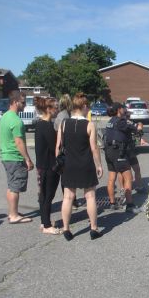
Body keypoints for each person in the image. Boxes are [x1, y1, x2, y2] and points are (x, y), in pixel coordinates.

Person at [56, 92, 103, 240]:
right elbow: (94, 148)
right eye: (87, 106)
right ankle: (94, 229)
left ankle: (66, 229)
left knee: (68, 197)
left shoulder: (63, 124)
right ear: (83, 106)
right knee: (90, 196)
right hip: (85, 164)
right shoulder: (89, 125)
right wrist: (99, 165)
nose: (88, 108)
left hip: (69, 165)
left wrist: (59, 162)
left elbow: (58, 146)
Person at [0, 91, 34, 224]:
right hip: (14, 157)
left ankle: (12, 212)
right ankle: (14, 215)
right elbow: (19, 142)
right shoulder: (15, 120)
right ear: (15, 102)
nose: (24, 105)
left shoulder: (5, 116)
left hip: (6, 156)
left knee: (11, 185)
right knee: (15, 187)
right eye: (23, 102)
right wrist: (27, 159)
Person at [104, 103, 143, 212]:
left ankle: (112, 203)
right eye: (123, 108)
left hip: (109, 152)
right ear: (118, 110)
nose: (124, 110)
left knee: (112, 178)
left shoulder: (110, 122)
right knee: (128, 177)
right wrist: (139, 125)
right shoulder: (121, 121)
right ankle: (130, 205)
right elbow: (136, 129)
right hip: (118, 152)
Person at [34, 96, 61, 235]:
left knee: (44, 195)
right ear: (49, 109)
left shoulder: (39, 124)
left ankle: (44, 221)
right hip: (49, 166)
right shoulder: (47, 127)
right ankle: (47, 225)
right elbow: (55, 147)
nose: (58, 110)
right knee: (47, 196)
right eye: (56, 107)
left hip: (42, 166)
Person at [54, 94, 83, 209]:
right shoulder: (64, 117)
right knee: (67, 178)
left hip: (62, 149)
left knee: (66, 177)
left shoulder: (61, 115)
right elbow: (62, 136)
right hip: (65, 150)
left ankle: (71, 200)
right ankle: (71, 201)